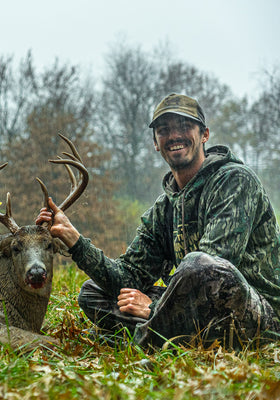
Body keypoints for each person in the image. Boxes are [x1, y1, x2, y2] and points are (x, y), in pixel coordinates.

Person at [36, 93, 280, 348]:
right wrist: (74, 239)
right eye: (164, 130)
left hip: (260, 316)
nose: (174, 135)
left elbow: (209, 271)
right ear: (156, 142)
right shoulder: (164, 209)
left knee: (198, 263)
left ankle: (144, 341)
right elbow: (128, 277)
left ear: (205, 134)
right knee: (93, 293)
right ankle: (176, 337)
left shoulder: (234, 181)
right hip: (199, 312)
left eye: (185, 126)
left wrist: (154, 308)